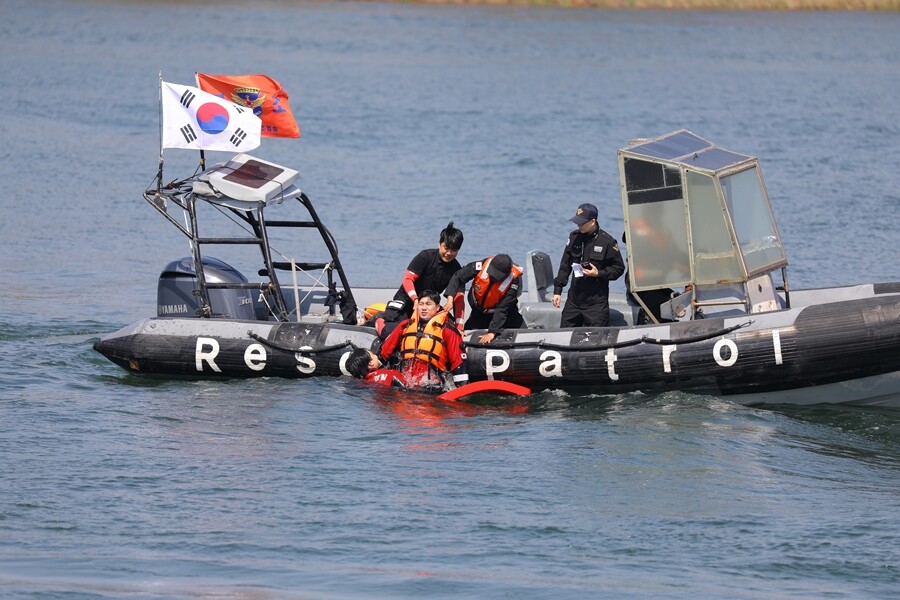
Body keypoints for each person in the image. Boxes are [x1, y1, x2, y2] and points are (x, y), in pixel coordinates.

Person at [354, 291, 468, 392]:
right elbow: (385, 351)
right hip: (405, 384)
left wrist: (461, 389)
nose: (424, 308)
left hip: (432, 387)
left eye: (428, 304)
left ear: (438, 307)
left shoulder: (447, 330)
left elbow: (458, 362)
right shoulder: (406, 325)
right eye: (421, 304)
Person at [551, 203, 625, 327]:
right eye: (577, 222)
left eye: (582, 223)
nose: (578, 225)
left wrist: (598, 273)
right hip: (574, 301)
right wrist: (557, 291)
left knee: (596, 340)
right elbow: (565, 264)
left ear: (592, 221)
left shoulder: (607, 242)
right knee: (564, 336)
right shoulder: (574, 237)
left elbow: (618, 269)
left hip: (596, 305)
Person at [382, 221, 464, 324]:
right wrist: (415, 300)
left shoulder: (457, 270)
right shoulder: (425, 256)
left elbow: (459, 299)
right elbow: (407, 279)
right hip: (408, 300)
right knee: (392, 323)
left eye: (453, 250)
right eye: (446, 248)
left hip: (429, 306)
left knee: (451, 326)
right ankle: (375, 320)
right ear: (439, 244)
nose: (448, 253)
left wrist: (459, 326)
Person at [443, 254, 525, 344]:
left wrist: (492, 332)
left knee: (525, 334)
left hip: (506, 313)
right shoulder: (481, 265)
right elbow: (458, 276)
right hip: (479, 311)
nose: (493, 277)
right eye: (492, 274)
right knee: (464, 334)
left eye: (496, 276)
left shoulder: (513, 281)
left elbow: (502, 308)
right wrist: (450, 299)